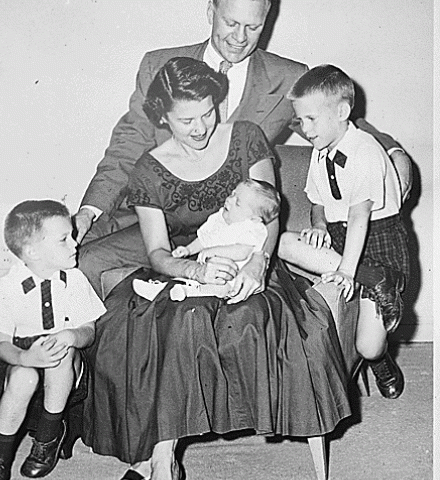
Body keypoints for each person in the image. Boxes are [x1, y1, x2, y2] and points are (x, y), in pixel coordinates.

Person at [82, 57, 351, 480]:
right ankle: (163, 459)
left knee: (239, 319)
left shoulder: (245, 138)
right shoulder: (149, 168)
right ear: (163, 116)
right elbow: (157, 253)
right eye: (187, 119)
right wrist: (194, 270)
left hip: (252, 262)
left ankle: (160, 460)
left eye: (208, 112)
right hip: (188, 266)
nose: (201, 127)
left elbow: (270, 211)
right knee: (171, 321)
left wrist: (259, 263)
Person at [74, 0, 412, 297]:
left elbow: (335, 118)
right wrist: (90, 210)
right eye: (231, 23)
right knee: (83, 259)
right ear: (211, 11)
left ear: (268, 19)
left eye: (253, 26)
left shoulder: (286, 77)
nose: (240, 37)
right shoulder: (159, 67)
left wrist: (392, 152)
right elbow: (126, 146)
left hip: (237, 225)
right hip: (160, 221)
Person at [278, 65, 409, 400]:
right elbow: (317, 201)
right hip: (340, 239)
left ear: (341, 112)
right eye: (300, 120)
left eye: (311, 119)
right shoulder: (322, 151)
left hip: (377, 242)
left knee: (367, 345)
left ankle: (381, 362)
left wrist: (349, 272)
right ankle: (374, 280)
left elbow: (360, 215)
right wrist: (319, 226)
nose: (305, 130)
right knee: (285, 243)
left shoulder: (364, 150)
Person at [0, 200, 106, 480]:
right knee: (24, 378)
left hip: (67, 359)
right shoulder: (7, 287)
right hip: (20, 356)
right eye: (64, 239)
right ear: (32, 251)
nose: (75, 244)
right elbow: (1, 345)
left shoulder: (74, 281)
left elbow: (89, 331)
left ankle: (46, 441)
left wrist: (72, 335)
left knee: (60, 359)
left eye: (72, 235)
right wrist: (25, 358)